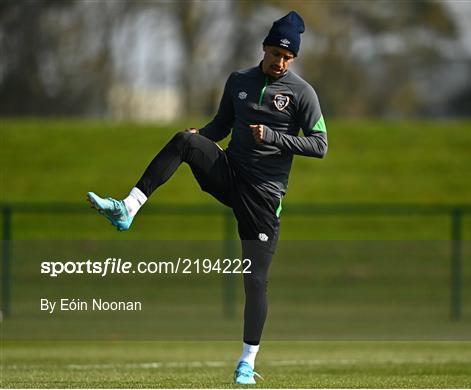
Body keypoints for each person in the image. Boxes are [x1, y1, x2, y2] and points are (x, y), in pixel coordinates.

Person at [87, 10, 327, 385]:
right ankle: (128, 208)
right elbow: (221, 126)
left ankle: (247, 362)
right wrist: (202, 134)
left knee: (255, 281)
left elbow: (320, 145)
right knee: (184, 141)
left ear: (293, 58)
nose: (279, 62)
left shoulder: (302, 93)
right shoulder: (239, 81)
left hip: (264, 196)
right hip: (231, 171)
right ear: (264, 48)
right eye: (275, 53)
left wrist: (274, 137)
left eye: (287, 57)